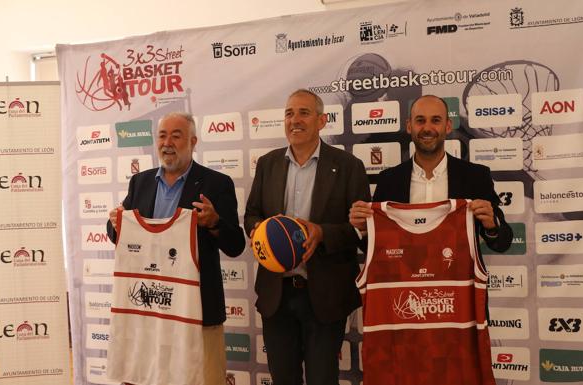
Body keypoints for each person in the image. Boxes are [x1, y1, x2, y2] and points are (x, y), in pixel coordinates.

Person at [106, 111, 245, 385]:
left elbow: (236, 245)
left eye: (176, 135)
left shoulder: (217, 184)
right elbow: (118, 234)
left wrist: (215, 222)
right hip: (150, 312)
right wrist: (115, 224)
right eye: (162, 135)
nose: (167, 142)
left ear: (193, 141)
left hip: (198, 312)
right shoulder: (141, 182)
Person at [244, 89, 370, 385]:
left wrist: (322, 232)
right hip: (277, 294)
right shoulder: (268, 163)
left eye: (303, 113)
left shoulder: (349, 166)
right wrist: (259, 230)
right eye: (289, 113)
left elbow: (361, 230)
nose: (294, 120)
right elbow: (251, 214)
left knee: (321, 379)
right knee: (283, 378)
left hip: (325, 296)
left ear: (322, 121)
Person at [350, 94, 512, 251]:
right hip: (405, 277)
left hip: (459, 277)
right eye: (420, 120)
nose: (427, 128)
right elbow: (376, 248)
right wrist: (364, 229)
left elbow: (502, 243)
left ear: (448, 126)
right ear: (409, 126)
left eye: (436, 120)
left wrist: (491, 226)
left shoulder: (476, 176)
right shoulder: (389, 180)